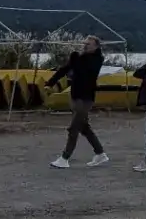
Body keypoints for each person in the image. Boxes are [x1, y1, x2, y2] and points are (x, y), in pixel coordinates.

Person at [45, 36, 109, 168]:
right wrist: (50, 83)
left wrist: (76, 58)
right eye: (84, 43)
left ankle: (65, 158)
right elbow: (64, 69)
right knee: (84, 127)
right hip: (75, 95)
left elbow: (86, 72)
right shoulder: (79, 58)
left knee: (74, 128)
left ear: (96, 46)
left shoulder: (97, 59)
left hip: (86, 98)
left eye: (89, 44)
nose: (85, 45)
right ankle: (100, 153)